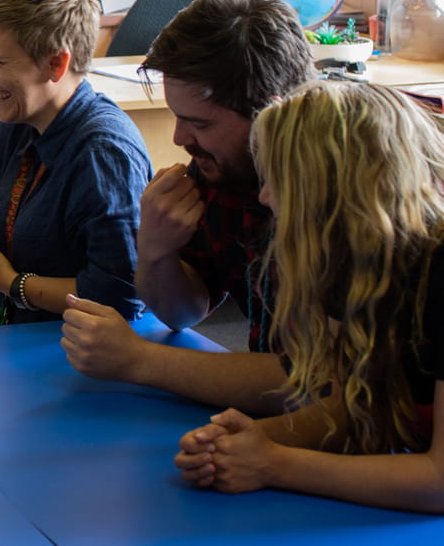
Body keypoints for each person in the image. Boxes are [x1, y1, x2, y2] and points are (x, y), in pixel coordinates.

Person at [176, 81, 444, 513]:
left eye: (278, 180)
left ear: (332, 187)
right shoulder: (352, 264)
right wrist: (243, 442)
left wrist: (273, 463)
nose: (264, 197)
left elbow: (438, 482)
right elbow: (346, 413)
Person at [62, 0, 313, 413]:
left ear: (272, 116)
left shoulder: (335, 196)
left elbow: (309, 382)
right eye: (178, 117)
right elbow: (183, 313)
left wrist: (140, 361)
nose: (180, 140)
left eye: (199, 123)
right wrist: (156, 252)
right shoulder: (222, 170)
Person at [0, 0, 150, 323]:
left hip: (76, 353)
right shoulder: (24, 126)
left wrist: (10, 283)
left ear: (56, 64)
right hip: (18, 340)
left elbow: (119, 297)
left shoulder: (103, 156)